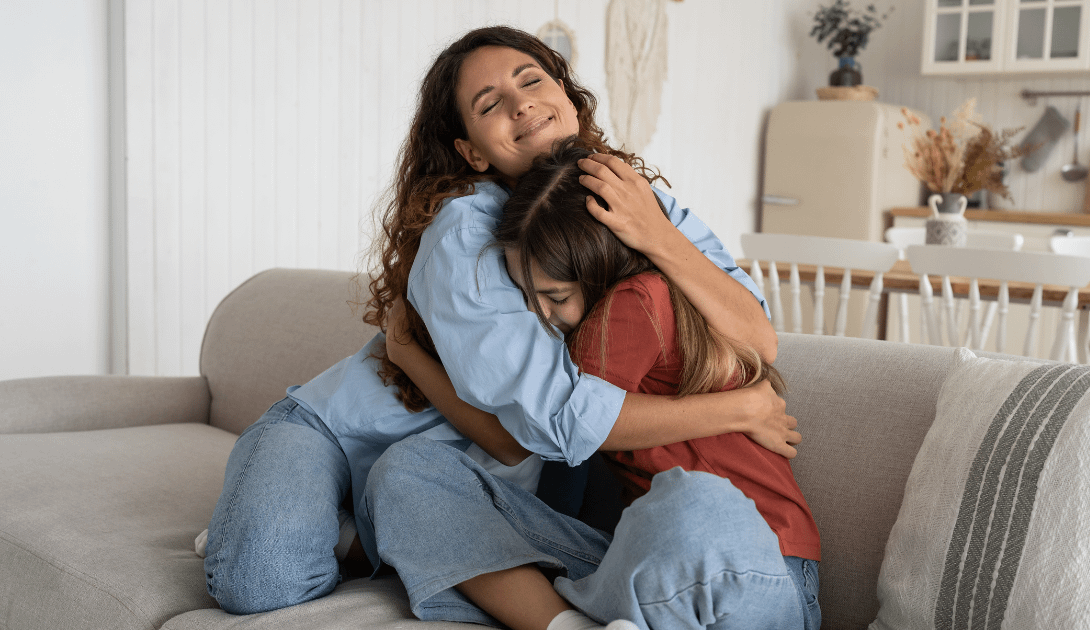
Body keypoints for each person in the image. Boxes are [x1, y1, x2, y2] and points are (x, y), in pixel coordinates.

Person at [203, 24, 798, 623]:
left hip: (463, 475)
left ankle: (365, 533)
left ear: (568, 95)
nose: (521, 104)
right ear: (473, 152)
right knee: (261, 579)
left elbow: (758, 339)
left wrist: (657, 235)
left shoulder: (639, 201)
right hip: (344, 430)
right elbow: (543, 426)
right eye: (489, 105)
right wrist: (742, 409)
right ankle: (302, 520)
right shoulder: (470, 227)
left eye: (532, 80)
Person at [375, 140, 820, 630]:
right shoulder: (621, 310)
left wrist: (410, 357)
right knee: (409, 468)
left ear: (597, 267)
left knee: (691, 500)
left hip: (755, 565)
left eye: (553, 296)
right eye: (524, 295)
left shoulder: (632, 304)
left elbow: (571, 434)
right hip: (644, 569)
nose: (535, 314)